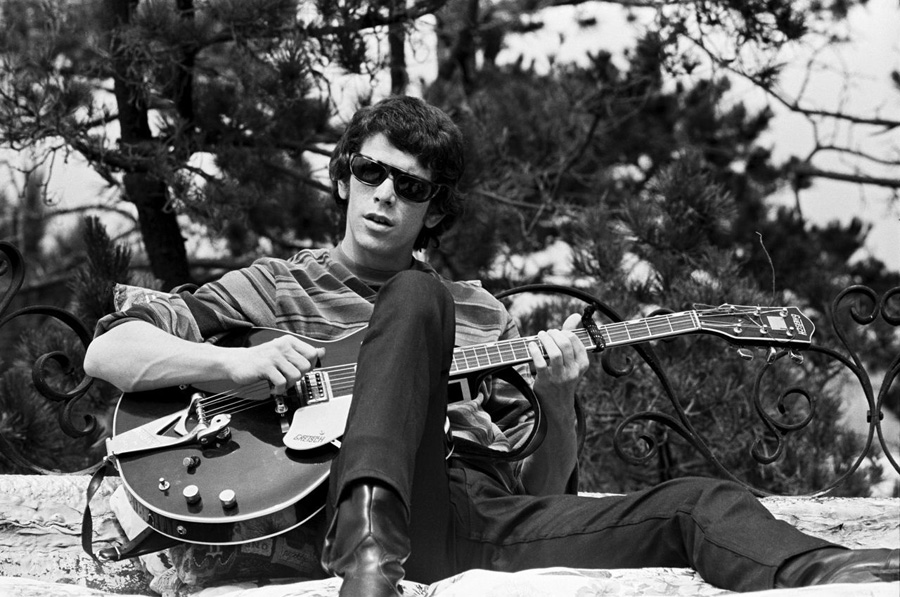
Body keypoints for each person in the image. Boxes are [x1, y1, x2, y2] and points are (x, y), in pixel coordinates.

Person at [84, 95, 898, 597]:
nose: (384, 195)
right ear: (342, 177)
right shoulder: (274, 287)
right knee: (414, 296)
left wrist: (559, 400)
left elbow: (537, 487)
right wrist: (238, 363)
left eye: (411, 187)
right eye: (370, 172)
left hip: (462, 517)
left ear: (433, 211)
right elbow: (110, 353)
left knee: (699, 500)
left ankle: (835, 575)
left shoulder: (477, 313)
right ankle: (366, 557)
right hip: (331, 514)